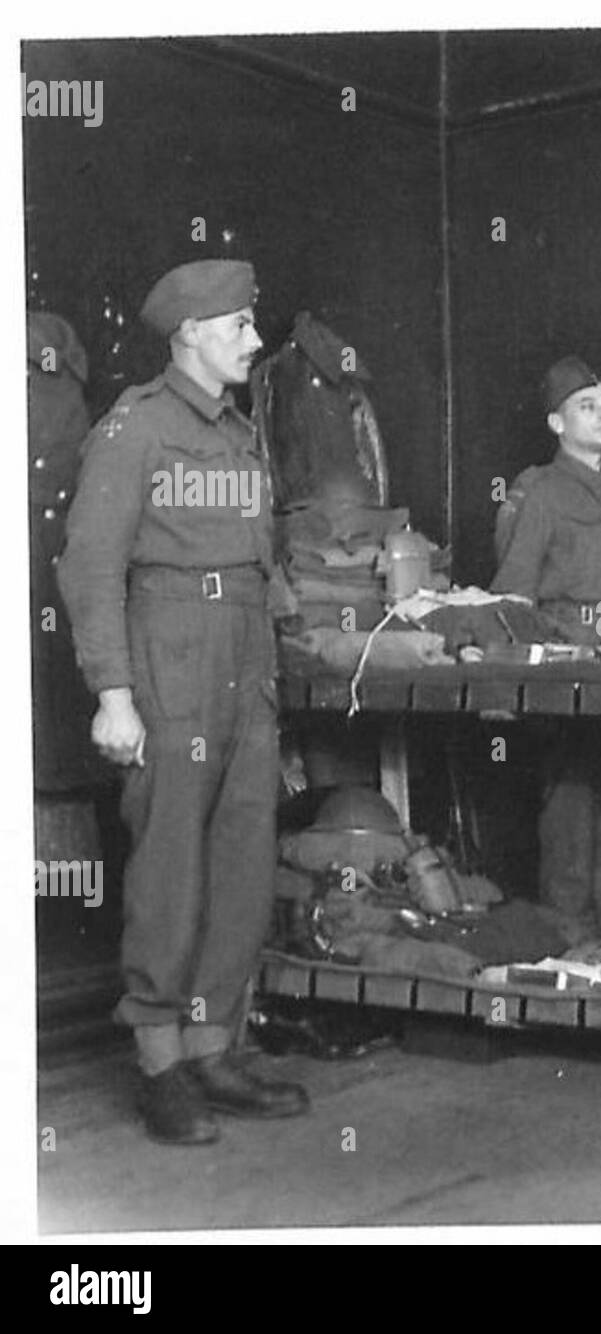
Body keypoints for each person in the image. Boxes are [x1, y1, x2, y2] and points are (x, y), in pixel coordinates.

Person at [57, 258, 308, 1145]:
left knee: (242, 859)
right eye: (239, 325)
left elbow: (255, 557)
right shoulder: (136, 427)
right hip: (170, 649)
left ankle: (212, 1050)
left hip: (245, 654)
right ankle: (161, 1066)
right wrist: (112, 697)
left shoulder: (239, 432)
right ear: (191, 334)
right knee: (169, 863)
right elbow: (89, 565)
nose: (252, 338)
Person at [491, 355, 601, 943]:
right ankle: (568, 941)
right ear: (556, 423)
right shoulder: (541, 493)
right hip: (569, 679)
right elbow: (512, 598)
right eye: (588, 406)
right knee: (571, 807)